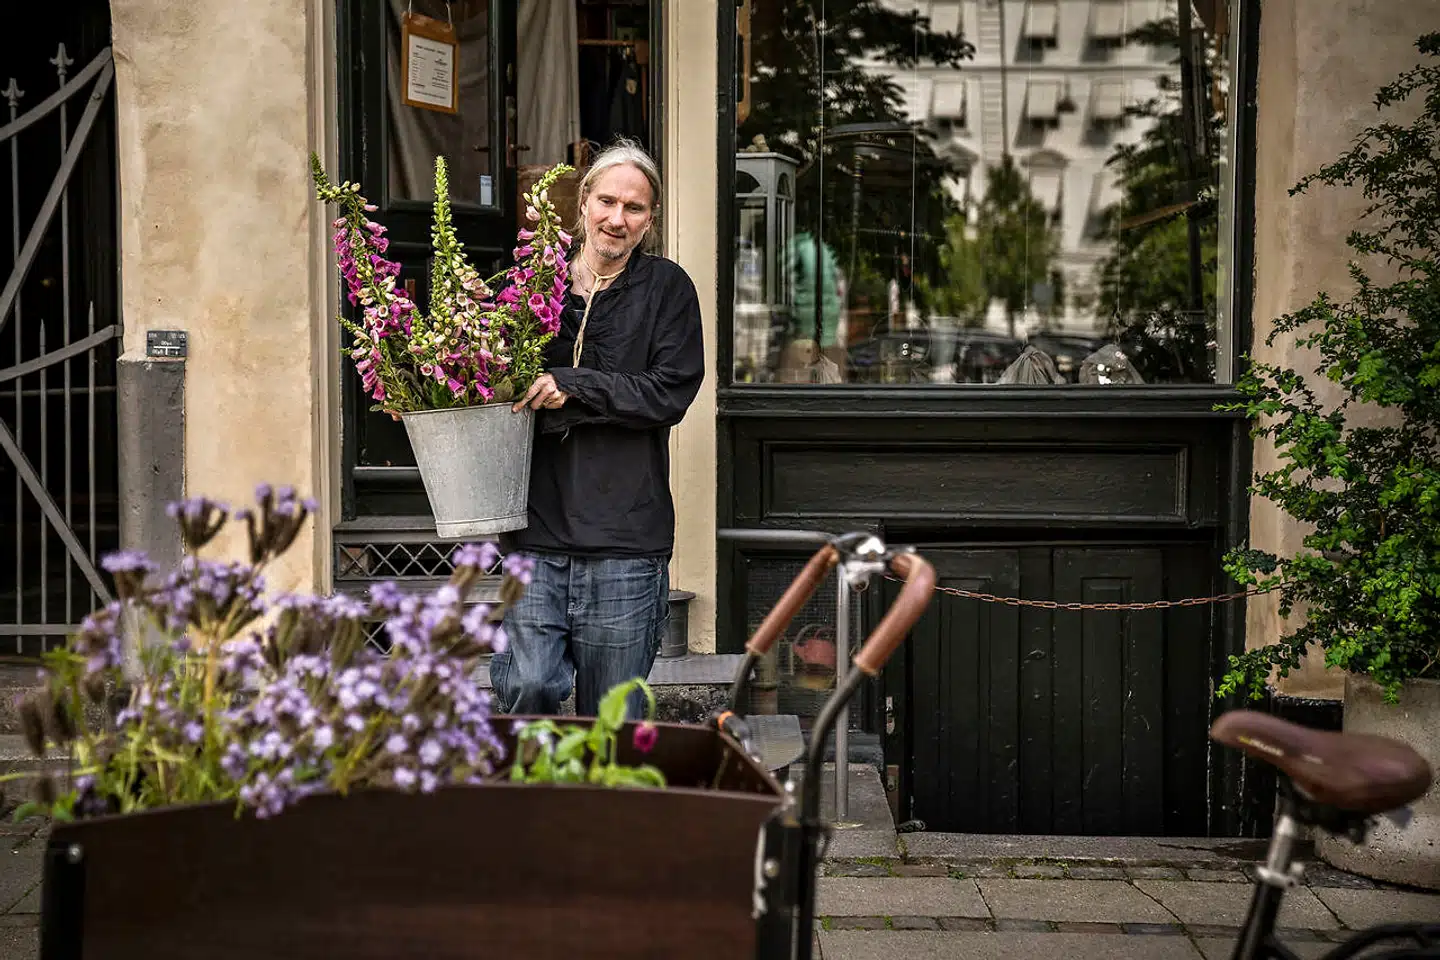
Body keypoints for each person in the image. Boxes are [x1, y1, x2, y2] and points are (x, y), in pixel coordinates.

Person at [489, 139, 705, 721]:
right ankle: (534, 809)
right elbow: (487, 381)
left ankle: (608, 813)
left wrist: (576, 385)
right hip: (535, 527)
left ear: (650, 218)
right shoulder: (531, 285)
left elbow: (669, 392)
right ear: (582, 202)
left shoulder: (667, 290)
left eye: (634, 208)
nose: (617, 219)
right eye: (606, 201)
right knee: (527, 688)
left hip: (625, 539)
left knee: (612, 715)